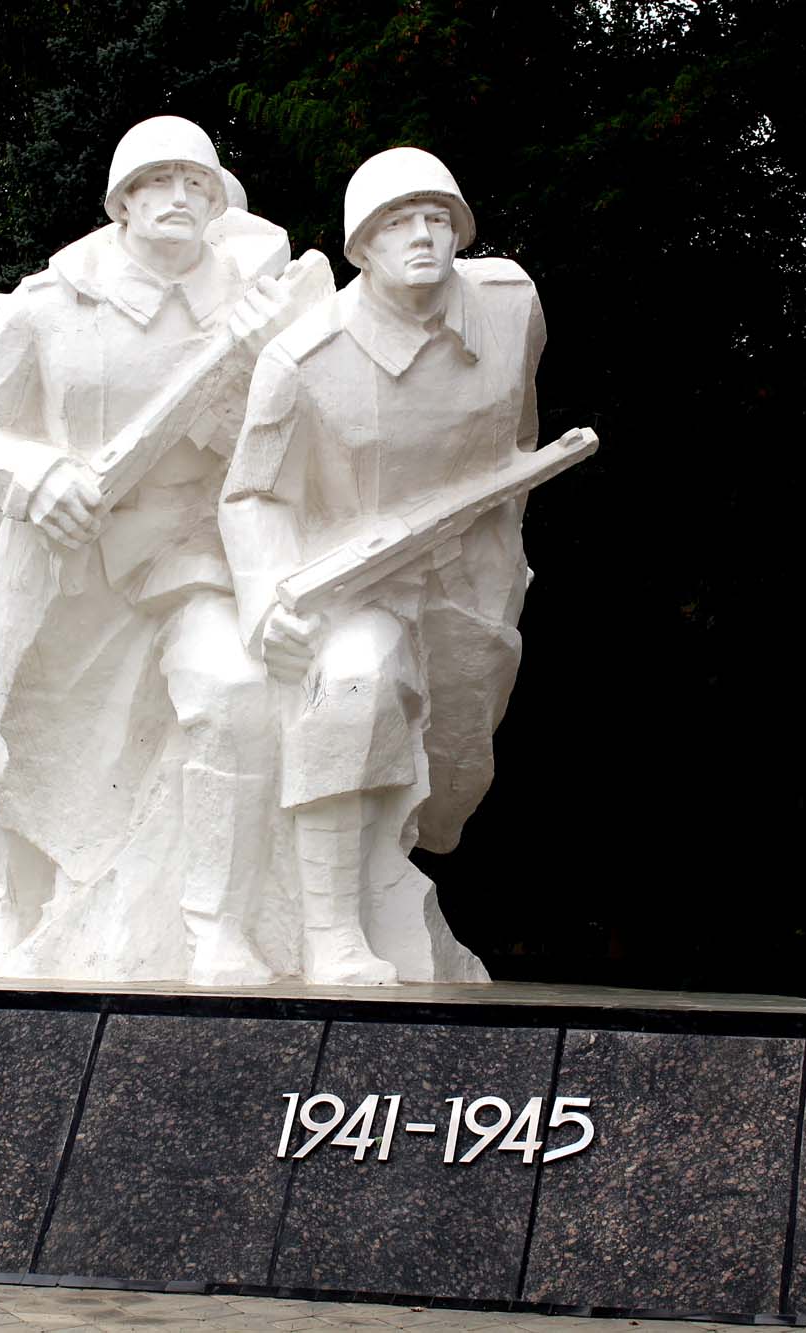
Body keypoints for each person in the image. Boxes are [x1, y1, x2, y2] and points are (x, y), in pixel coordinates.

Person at [0, 116, 306, 984]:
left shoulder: (258, 310)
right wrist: (36, 481)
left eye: (197, 184)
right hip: (66, 564)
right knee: (26, 725)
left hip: (189, 549)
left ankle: (216, 928)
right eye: (159, 181)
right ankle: (17, 912)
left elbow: (287, 444)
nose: (179, 198)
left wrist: (254, 373)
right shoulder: (47, 308)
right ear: (124, 200)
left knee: (234, 690)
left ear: (218, 203)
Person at [220, 147, 542, 985]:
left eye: (439, 217)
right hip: (353, 581)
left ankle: (389, 877)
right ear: (361, 246)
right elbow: (252, 495)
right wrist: (265, 603)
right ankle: (332, 929)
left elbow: (518, 430)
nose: (424, 236)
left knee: (453, 776)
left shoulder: (512, 304)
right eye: (398, 222)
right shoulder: (305, 359)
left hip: (470, 579)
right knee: (351, 692)